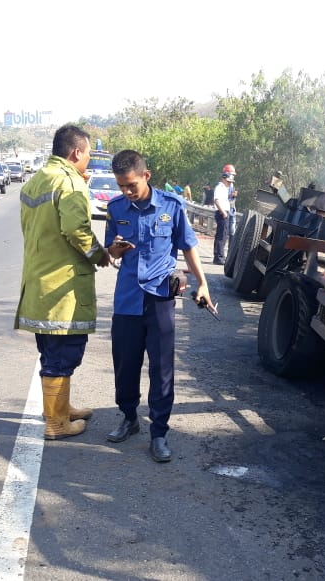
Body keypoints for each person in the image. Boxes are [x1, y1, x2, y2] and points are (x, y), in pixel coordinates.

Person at [104, 149, 214, 462]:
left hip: (160, 300)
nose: (126, 191)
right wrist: (116, 248)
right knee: (125, 365)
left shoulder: (172, 206)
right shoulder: (116, 208)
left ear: (146, 176)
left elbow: (189, 247)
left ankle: (160, 433)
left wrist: (203, 284)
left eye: (131, 185)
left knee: (162, 368)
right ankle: (129, 418)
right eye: (121, 186)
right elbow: (110, 251)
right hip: (127, 299)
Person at [15, 124, 110, 440]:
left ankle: (59, 409)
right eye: (87, 156)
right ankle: (56, 424)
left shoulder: (36, 181)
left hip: (39, 283)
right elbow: (76, 231)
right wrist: (101, 255)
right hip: (61, 289)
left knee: (51, 351)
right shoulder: (70, 183)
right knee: (63, 354)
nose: (87, 163)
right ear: (76, 152)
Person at [212, 165, 236, 264]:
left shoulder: (225, 188)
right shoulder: (220, 187)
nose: (230, 183)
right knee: (221, 236)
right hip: (222, 213)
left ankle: (219, 256)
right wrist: (223, 212)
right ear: (225, 177)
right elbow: (216, 200)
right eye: (229, 181)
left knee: (223, 235)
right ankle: (219, 258)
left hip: (224, 213)